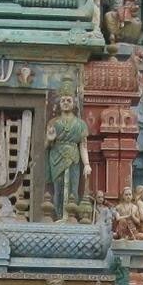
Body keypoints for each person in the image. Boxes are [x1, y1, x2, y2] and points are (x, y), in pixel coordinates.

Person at [45, 81, 90, 220]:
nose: (65, 103)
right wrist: (50, 138)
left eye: (69, 100)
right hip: (56, 156)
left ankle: (70, 216)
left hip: (73, 157)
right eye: (63, 100)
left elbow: (83, 146)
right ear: (59, 103)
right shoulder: (53, 122)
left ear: (74, 103)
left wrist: (87, 164)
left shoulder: (80, 124)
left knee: (73, 188)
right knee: (57, 189)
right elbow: (45, 145)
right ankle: (59, 217)